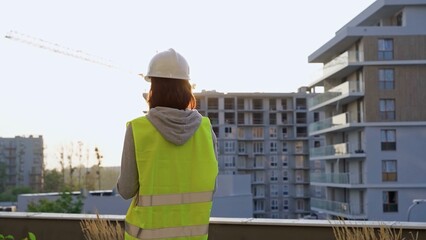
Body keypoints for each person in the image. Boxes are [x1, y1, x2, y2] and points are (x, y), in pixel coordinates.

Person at [117, 48, 219, 240]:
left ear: (152, 89)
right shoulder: (206, 130)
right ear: (187, 88)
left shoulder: (138, 129)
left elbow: (126, 189)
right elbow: (210, 187)